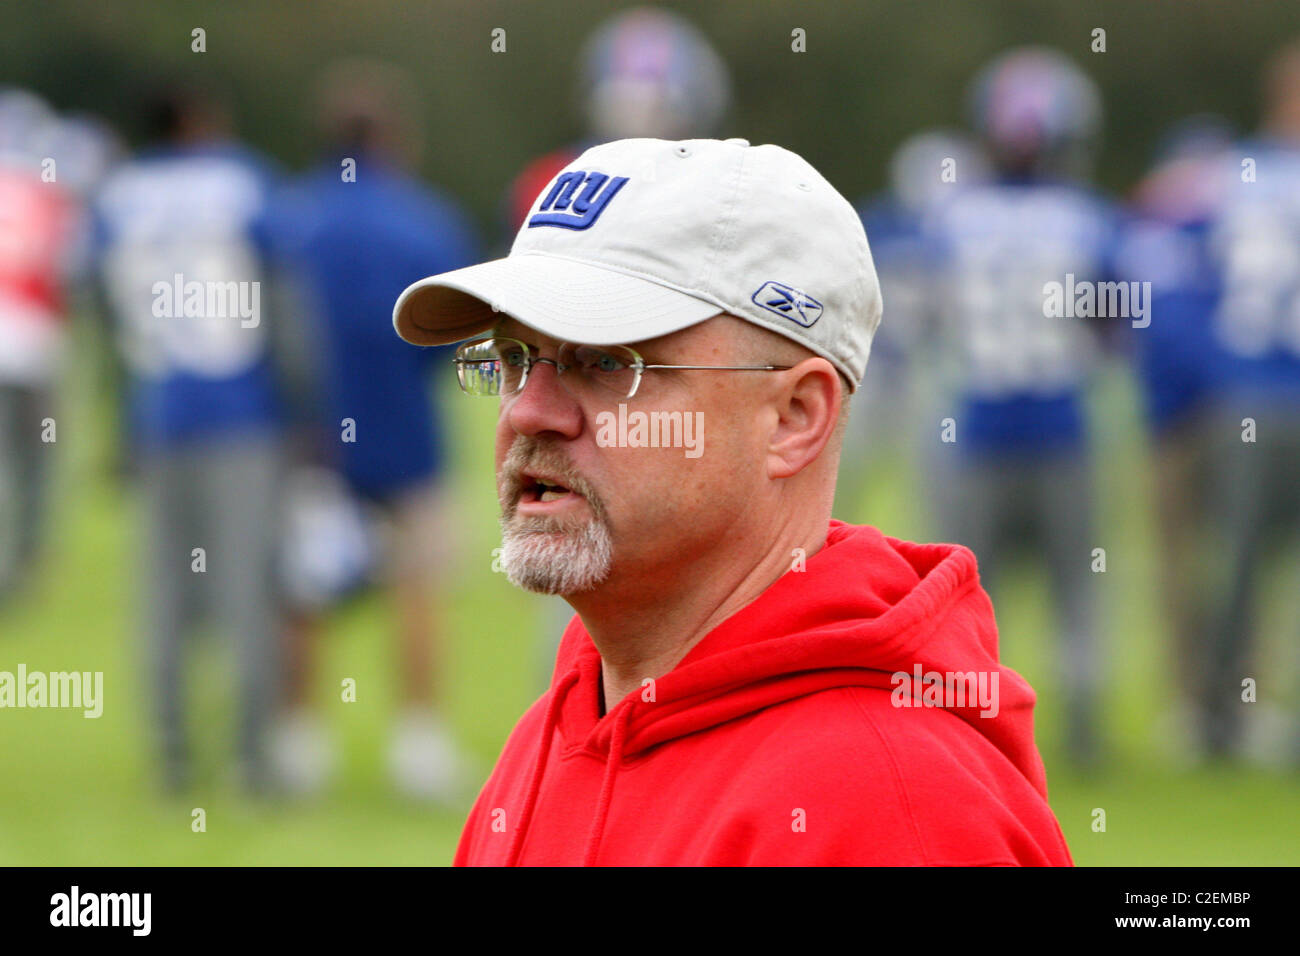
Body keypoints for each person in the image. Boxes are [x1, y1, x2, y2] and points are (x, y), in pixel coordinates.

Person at [392, 137, 1072, 865]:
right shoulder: (566, 721)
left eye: (604, 363)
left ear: (793, 418)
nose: (529, 412)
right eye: (514, 359)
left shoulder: (887, 807)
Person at [269, 59, 481, 799]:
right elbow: (451, 336)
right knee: (416, 588)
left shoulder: (288, 219)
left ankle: (297, 746)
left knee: (302, 591)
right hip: (407, 436)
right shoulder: (427, 220)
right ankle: (417, 746)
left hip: (309, 440)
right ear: (393, 137)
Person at [92, 84, 302, 793]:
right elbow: (287, 298)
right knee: (246, 587)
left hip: (158, 414)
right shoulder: (244, 180)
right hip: (241, 411)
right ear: (204, 119)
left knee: (164, 596)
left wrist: (116, 420)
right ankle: (251, 761)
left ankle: (173, 758)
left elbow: (99, 311)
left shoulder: (121, 193)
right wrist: (308, 408)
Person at [921, 48, 1120, 767]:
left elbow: (932, 320)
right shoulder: (1086, 217)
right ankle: (1083, 735)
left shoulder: (952, 216)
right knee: (1079, 589)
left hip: (977, 425)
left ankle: (974, 730)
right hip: (1062, 423)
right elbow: (1114, 324)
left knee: (974, 600)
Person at [1198, 43, 1300, 763]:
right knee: (1237, 566)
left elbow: (1179, 284)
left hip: (1245, 396)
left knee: (1237, 565)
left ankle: (1221, 721)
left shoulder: (1229, 177)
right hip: (1261, 392)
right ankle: (1225, 718)